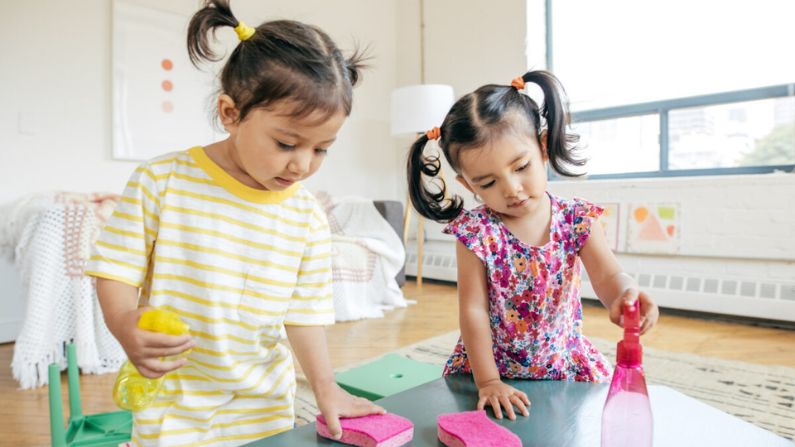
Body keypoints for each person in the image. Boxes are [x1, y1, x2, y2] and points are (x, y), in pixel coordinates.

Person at [85, 1, 383, 445]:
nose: (302, 164)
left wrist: (326, 388)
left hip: (263, 404)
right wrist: (123, 320)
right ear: (230, 113)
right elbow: (115, 268)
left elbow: (304, 316)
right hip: (175, 399)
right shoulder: (162, 181)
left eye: (321, 149)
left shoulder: (305, 216)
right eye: (286, 143)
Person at [406, 70, 660, 421]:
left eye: (521, 166)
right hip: (490, 368)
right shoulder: (476, 233)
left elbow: (608, 276)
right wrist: (488, 381)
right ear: (468, 184)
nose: (511, 189)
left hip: (563, 362)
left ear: (542, 148)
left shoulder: (577, 219)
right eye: (489, 182)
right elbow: (473, 311)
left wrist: (626, 294)